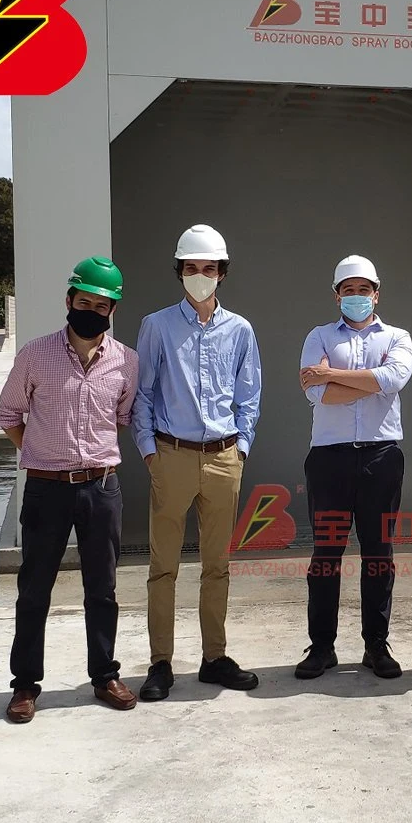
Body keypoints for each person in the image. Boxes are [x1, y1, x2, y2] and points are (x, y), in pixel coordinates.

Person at [0, 257, 139, 723]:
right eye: (84, 302)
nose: (92, 312)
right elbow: (8, 415)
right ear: (69, 301)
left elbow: (121, 417)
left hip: (101, 488)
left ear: (112, 309)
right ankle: (24, 685)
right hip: (46, 489)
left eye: (103, 305)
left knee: (103, 588)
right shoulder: (35, 355)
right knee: (34, 589)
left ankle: (104, 675)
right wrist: (37, 453)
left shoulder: (125, 360)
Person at [131, 224, 262, 701]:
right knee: (163, 565)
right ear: (179, 272)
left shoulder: (239, 330)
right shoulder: (157, 326)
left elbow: (249, 396)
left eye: (209, 268)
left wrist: (241, 449)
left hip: (224, 457)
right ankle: (161, 662)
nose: (200, 276)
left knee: (217, 564)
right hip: (173, 455)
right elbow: (142, 394)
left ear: (222, 274)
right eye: (192, 268)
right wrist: (150, 451)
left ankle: (214, 657)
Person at [295, 255, 412, 680]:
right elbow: (317, 393)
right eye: (349, 289)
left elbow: (393, 380)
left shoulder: (398, 336)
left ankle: (376, 646)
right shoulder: (320, 335)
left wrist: (335, 374)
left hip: (382, 457)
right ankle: (322, 647)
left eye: (364, 289)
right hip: (329, 458)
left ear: (377, 294)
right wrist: (368, 381)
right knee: (326, 553)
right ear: (336, 295)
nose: (357, 296)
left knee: (378, 553)